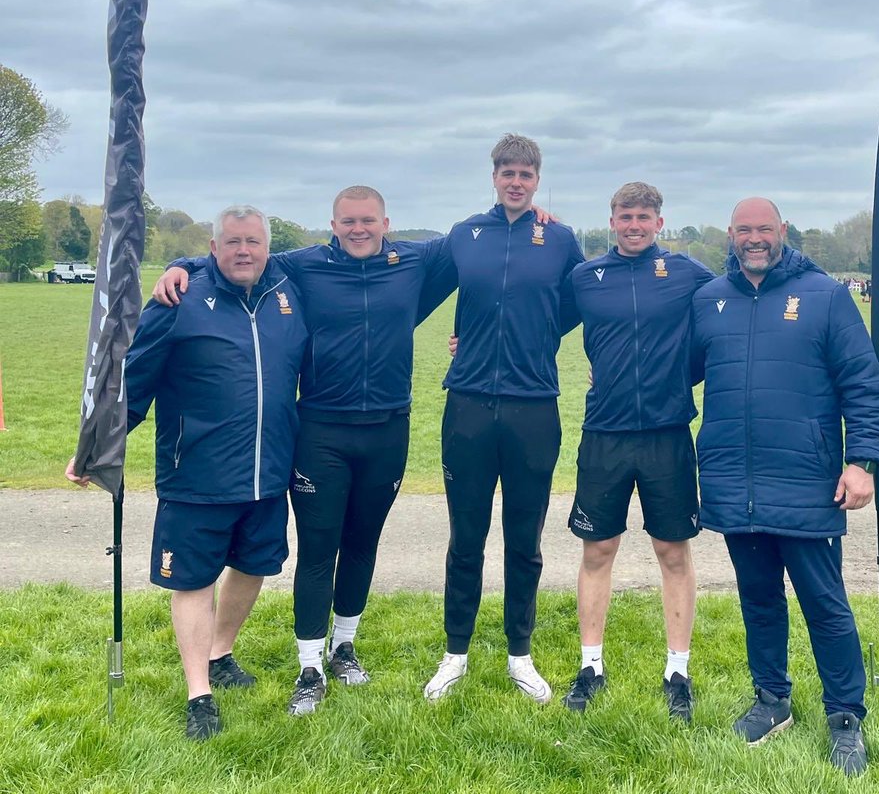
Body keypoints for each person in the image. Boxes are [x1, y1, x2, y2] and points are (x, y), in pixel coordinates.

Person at [151, 186, 457, 716]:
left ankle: (344, 646)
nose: (358, 229)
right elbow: (239, 254)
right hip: (320, 430)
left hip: (390, 427)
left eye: (368, 221)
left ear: (387, 222)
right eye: (347, 221)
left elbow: (478, 242)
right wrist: (181, 263)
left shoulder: (414, 259)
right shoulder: (303, 266)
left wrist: (529, 213)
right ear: (332, 224)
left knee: (363, 542)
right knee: (319, 548)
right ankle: (309, 666)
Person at [68, 206, 309, 740]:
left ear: (268, 246)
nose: (244, 250)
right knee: (195, 579)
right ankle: (198, 692)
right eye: (232, 242)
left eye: (254, 241)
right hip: (195, 474)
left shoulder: (289, 295)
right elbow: (135, 379)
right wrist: (94, 447)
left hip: (269, 475)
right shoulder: (178, 300)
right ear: (213, 246)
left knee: (255, 565)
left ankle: (222, 654)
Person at [690, 197, 879, 777]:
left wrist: (863, 462)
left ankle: (845, 718)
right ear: (731, 234)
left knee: (825, 605)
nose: (755, 238)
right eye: (745, 230)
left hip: (806, 482)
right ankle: (772, 700)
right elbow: (676, 372)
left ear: (782, 232)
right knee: (759, 601)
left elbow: (865, 384)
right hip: (733, 481)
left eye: (765, 229)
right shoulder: (709, 301)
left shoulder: (825, 295)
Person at [423, 134, 584, 704]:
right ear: (494, 176)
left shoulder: (562, 239)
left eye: (526, 174)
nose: (517, 182)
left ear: (538, 179)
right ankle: (455, 654)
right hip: (466, 404)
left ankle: (521, 654)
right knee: (465, 537)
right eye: (508, 173)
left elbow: (580, 303)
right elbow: (413, 287)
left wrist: (532, 337)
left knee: (525, 539)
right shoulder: (465, 235)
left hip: (533, 407)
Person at [562, 182, 713, 721]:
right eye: (625, 215)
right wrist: (469, 339)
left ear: (658, 222)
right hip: (604, 432)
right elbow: (535, 321)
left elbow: (734, 311)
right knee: (597, 550)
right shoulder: (585, 277)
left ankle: (678, 670)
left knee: (673, 553)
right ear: (612, 219)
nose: (634, 224)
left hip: (668, 433)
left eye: (643, 216)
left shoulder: (687, 273)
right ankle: (591, 666)